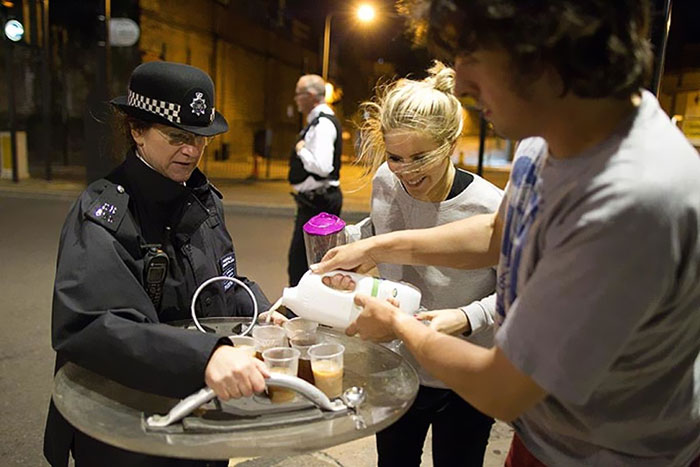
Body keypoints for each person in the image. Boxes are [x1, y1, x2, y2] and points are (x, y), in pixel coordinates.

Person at [313, 1, 700, 466]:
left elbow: (503, 388)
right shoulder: (549, 139)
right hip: (549, 438)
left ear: (544, 51)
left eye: (472, 55)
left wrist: (397, 324)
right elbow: (498, 234)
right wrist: (375, 244)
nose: (461, 83)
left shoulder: (630, 201)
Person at [44, 61, 272, 467]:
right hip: (129, 429)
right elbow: (92, 325)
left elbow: (219, 281)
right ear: (136, 130)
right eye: (177, 137)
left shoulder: (202, 198)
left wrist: (268, 312)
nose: (193, 151)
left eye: (201, 138)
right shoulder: (104, 213)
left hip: (198, 416)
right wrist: (204, 357)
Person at [347, 61, 501, 466]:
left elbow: (521, 294)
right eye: (395, 156)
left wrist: (466, 317)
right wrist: (344, 245)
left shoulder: (489, 208)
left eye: (420, 157)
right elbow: (378, 229)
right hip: (397, 365)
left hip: (465, 374)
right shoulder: (386, 180)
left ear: (452, 143)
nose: (406, 172)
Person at [287, 74, 343, 287]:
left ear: (311, 96)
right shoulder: (317, 122)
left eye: (299, 94)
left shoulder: (322, 124)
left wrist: (301, 150)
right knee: (306, 263)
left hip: (318, 202)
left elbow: (322, 167)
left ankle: (302, 314)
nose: (296, 99)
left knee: (304, 265)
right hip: (315, 201)